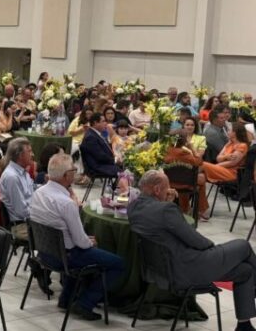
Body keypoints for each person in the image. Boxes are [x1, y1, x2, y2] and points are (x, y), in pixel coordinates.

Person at [129, 170, 256, 331]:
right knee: (243, 246)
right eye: (167, 188)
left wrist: (165, 202)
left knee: (246, 271)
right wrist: (213, 249)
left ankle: (244, 325)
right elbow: (196, 241)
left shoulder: (133, 207)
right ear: (157, 189)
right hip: (187, 270)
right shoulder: (166, 210)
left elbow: (162, 225)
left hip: (161, 271)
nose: (170, 191)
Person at [29, 153, 125, 321]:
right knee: (118, 264)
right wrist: (89, 241)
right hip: (65, 257)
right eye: (74, 170)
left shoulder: (39, 193)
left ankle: (66, 299)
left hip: (45, 253)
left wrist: (85, 241)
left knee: (78, 247)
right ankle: (85, 303)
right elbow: (81, 242)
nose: (76, 172)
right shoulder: (66, 203)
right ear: (66, 176)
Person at [163, 133, 209, 219]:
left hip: (169, 183)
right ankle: (201, 210)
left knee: (194, 177)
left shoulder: (166, 151)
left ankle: (188, 208)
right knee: (201, 179)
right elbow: (199, 162)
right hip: (185, 184)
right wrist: (192, 149)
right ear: (184, 142)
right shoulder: (184, 153)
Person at [0, 137, 36, 238]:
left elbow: (32, 192)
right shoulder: (12, 177)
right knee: (59, 235)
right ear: (20, 155)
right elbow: (21, 212)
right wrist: (41, 212)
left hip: (29, 221)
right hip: (21, 227)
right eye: (29, 151)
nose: (32, 154)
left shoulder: (23, 172)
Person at [79, 113, 120, 178]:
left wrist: (116, 157)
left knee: (125, 166)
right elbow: (100, 156)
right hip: (97, 167)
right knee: (124, 172)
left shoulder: (95, 133)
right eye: (103, 121)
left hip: (103, 163)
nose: (105, 123)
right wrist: (115, 160)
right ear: (95, 123)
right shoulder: (90, 137)